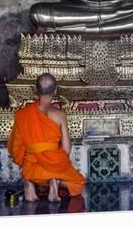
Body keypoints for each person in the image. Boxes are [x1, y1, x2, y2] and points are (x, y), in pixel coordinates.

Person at [7, 73, 86, 202]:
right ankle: (55, 181)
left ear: (35, 89)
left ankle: (29, 182)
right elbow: (66, 149)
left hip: (30, 167)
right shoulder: (59, 115)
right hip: (54, 164)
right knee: (78, 185)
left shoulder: (23, 114)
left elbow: (15, 147)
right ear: (55, 91)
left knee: (34, 170)